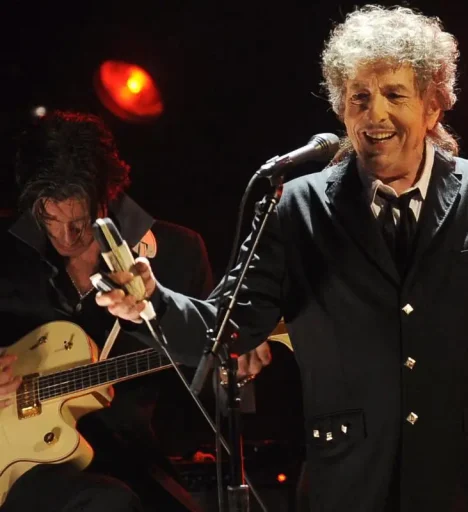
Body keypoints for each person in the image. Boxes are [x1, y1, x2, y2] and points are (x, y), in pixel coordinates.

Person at [96, 5, 468, 511]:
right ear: (341, 110)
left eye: (394, 94)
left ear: (434, 105)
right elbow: (227, 328)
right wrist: (152, 301)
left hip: (467, 486)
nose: (376, 114)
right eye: (359, 97)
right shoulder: (297, 204)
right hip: (347, 488)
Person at [0, 110, 270, 512]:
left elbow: (211, 390)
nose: (65, 236)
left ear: (107, 195)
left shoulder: (177, 253)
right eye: (49, 218)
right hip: (23, 474)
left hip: (135, 464)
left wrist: (236, 367)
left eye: (81, 220)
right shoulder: (6, 253)